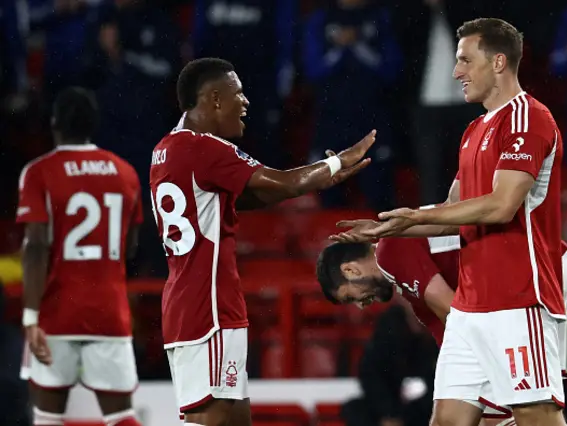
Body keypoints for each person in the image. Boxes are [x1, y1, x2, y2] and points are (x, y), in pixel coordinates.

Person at [333, 18, 567, 426]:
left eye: (464, 60)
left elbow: (500, 207)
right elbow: (451, 213)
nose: (456, 71)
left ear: (498, 62)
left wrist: (413, 217)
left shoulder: (529, 118)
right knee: (446, 422)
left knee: (537, 419)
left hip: (517, 298)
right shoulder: (474, 129)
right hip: (469, 309)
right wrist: (390, 225)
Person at [149, 57, 376, 426]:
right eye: (238, 94)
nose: (246, 103)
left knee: (237, 418)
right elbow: (283, 182)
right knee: (213, 417)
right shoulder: (203, 148)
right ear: (215, 99)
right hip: (208, 307)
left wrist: (316, 179)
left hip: (191, 301)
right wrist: (334, 165)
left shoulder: (167, 149)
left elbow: (252, 196)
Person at [316, 237, 567, 426]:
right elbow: (454, 352)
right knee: (451, 417)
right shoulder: (411, 283)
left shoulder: (390, 248)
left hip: (535, 278)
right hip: (546, 276)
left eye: (351, 296)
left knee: (533, 412)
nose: (362, 305)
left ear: (350, 270)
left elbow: (455, 314)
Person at [17, 87, 143, 426]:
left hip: (56, 312)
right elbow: (130, 247)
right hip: (109, 309)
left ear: (54, 122)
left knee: (47, 418)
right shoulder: (125, 173)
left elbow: (37, 246)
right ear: (93, 124)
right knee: (121, 416)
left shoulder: (39, 172)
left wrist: (30, 318)